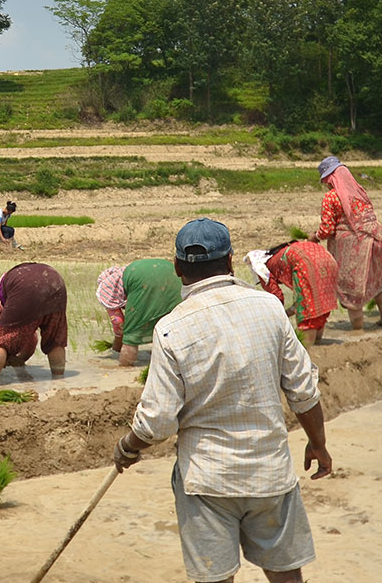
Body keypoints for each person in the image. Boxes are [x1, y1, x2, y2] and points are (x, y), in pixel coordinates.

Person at [113, 218, 331, 583]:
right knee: (286, 575)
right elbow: (303, 391)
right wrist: (319, 444)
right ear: (230, 261)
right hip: (270, 473)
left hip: (208, 481)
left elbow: (157, 422)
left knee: (215, 578)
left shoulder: (171, 329)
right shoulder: (270, 309)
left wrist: (128, 446)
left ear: (178, 268)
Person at [310, 156, 382, 329]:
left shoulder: (331, 197)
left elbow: (327, 229)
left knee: (351, 288)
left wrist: (314, 237)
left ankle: (358, 330)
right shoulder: (360, 192)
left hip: (356, 245)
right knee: (375, 281)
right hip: (377, 240)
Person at [0, 262, 68, 385]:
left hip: (24, 284)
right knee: (54, 339)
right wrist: (20, 361)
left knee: (0, 342)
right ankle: (59, 384)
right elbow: (31, 339)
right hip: (54, 278)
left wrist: (7, 356)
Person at [245, 240, 340, 344]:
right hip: (328, 260)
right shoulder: (279, 255)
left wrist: (271, 321)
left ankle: (309, 352)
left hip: (305, 263)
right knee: (319, 309)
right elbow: (301, 302)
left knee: (308, 316)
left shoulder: (261, 268)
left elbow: (277, 298)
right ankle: (320, 347)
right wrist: (287, 313)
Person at [95, 258, 184, 366]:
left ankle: (125, 368)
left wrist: (116, 348)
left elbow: (118, 322)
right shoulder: (124, 273)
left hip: (143, 281)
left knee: (132, 333)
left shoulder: (110, 292)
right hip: (171, 271)